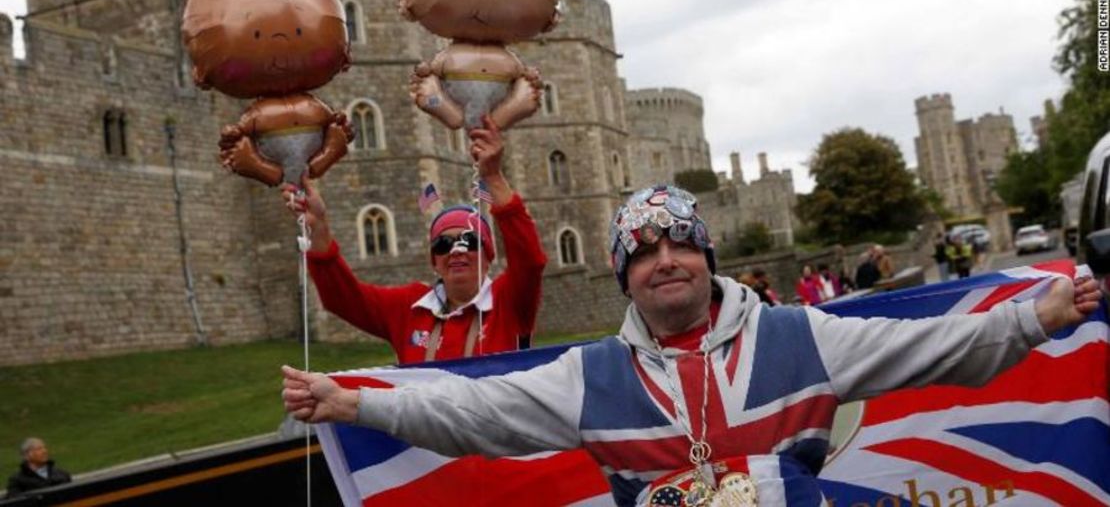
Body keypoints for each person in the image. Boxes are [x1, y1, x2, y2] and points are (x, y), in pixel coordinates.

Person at [282, 184, 1101, 506]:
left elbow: (932, 347)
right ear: (624, 277)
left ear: (708, 260)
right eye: (642, 252)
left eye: (680, 245)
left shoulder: (799, 335)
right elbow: (473, 409)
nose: (664, 260)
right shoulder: (593, 375)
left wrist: (1038, 314)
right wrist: (354, 401)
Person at [282, 116, 546, 363]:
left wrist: (493, 176)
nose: (456, 251)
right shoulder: (409, 308)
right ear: (435, 262)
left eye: (469, 241)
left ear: (489, 256)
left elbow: (530, 261)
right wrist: (318, 228)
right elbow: (342, 298)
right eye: (443, 245)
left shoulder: (509, 301)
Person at [7, 438, 71, 496]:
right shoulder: (17, 481)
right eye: (39, 449)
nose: (44, 451)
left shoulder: (62, 474)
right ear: (27, 455)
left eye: (44, 448)